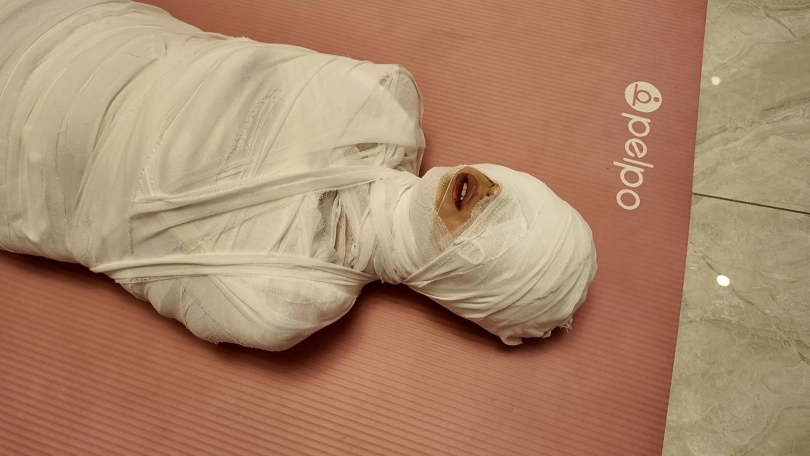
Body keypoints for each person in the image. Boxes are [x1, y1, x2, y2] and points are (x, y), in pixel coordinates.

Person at [0, 0, 597, 351]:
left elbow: (118, 221)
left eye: (507, 236)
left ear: (469, 289)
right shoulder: (388, 100)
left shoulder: (285, 303)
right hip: (82, 27)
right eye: (523, 197)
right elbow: (218, 64)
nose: (493, 195)